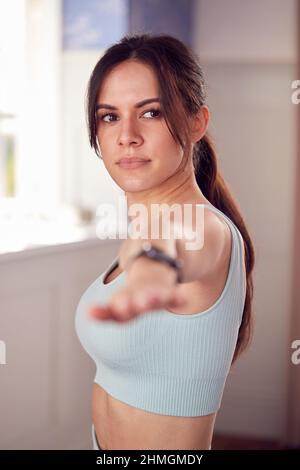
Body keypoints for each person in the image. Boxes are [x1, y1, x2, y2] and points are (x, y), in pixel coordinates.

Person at [75, 33, 255, 451]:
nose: (128, 135)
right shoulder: (143, 228)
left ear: (196, 123)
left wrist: (155, 263)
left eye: (151, 112)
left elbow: (182, 241)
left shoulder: (209, 229)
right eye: (109, 117)